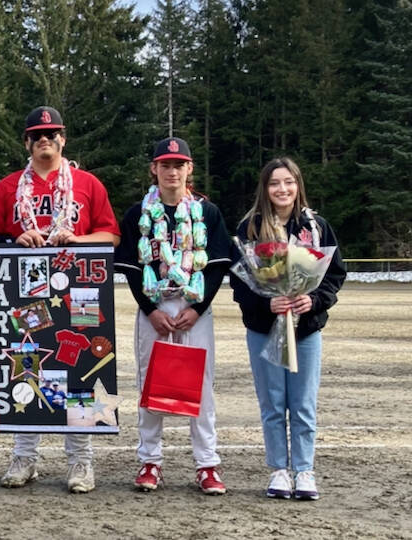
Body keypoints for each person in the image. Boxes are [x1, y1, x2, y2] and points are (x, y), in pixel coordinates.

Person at [0, 106, 120, 494]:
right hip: (25, 290)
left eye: (52, 133)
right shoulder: (8, 186)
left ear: (63, 139)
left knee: (81, 371)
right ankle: (24, 456)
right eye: (37, 135)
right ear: (26, 142)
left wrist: (78, 239)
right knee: (26, 368)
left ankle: (80, 460)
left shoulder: (87, 183)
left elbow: (111, 236)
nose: (45, 139)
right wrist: (14, 238)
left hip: (79, 289)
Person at [115, 137, 234, 495]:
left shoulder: (207, 213)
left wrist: (197, 309)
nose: (172, 171)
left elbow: (217, 268)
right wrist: (150, 310)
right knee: (150, 384)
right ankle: (150, 460)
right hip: (155, 307)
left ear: (189, 168)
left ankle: (207, 463)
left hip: (194, 307)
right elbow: (132, 271)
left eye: (178, 165)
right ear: (154, 168)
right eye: (165, 165)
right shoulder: (138, 213)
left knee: (202, 386)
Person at [231, 157, 346, 501]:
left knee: (303, 403)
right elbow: (240, 283)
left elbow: (334, 275)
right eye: (274, 183)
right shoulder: (250, 228)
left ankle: (304, 469)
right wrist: (266, 304)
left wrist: (314, 300)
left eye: (288, 182)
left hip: (305, 330)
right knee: (272, 402)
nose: (282, 189)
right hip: (264, 330)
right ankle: (279, 469)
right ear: (265, 188)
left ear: (298, 185)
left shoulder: (316, 226)